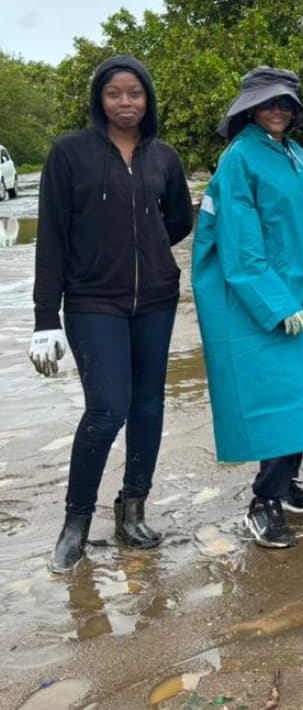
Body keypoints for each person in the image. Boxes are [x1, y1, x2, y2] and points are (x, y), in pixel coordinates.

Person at [29, 55, 193, 574]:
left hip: (156, 301)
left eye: (136, 94)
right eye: (115, 94)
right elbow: (51, 237)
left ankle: (133, 507)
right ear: (99, 99)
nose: (126, 103)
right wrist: (44, 319)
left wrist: (143, 248)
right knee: (106, 410)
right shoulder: (69, 153)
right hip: (92, 301)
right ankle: (75, 522)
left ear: (149, 100)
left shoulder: (163, 156)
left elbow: (179, 219)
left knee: (148, 407)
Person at [192, 68, 303, 548]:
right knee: (274, 401)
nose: (279, 110)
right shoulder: (240, 159)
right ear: (250, 107)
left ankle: (289, 484)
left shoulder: (295, 155)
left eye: (286, 103)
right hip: (267, 302)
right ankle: (264, 502)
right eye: (269, 102)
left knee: (302, 395)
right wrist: (275, 302)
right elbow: (239, 244)